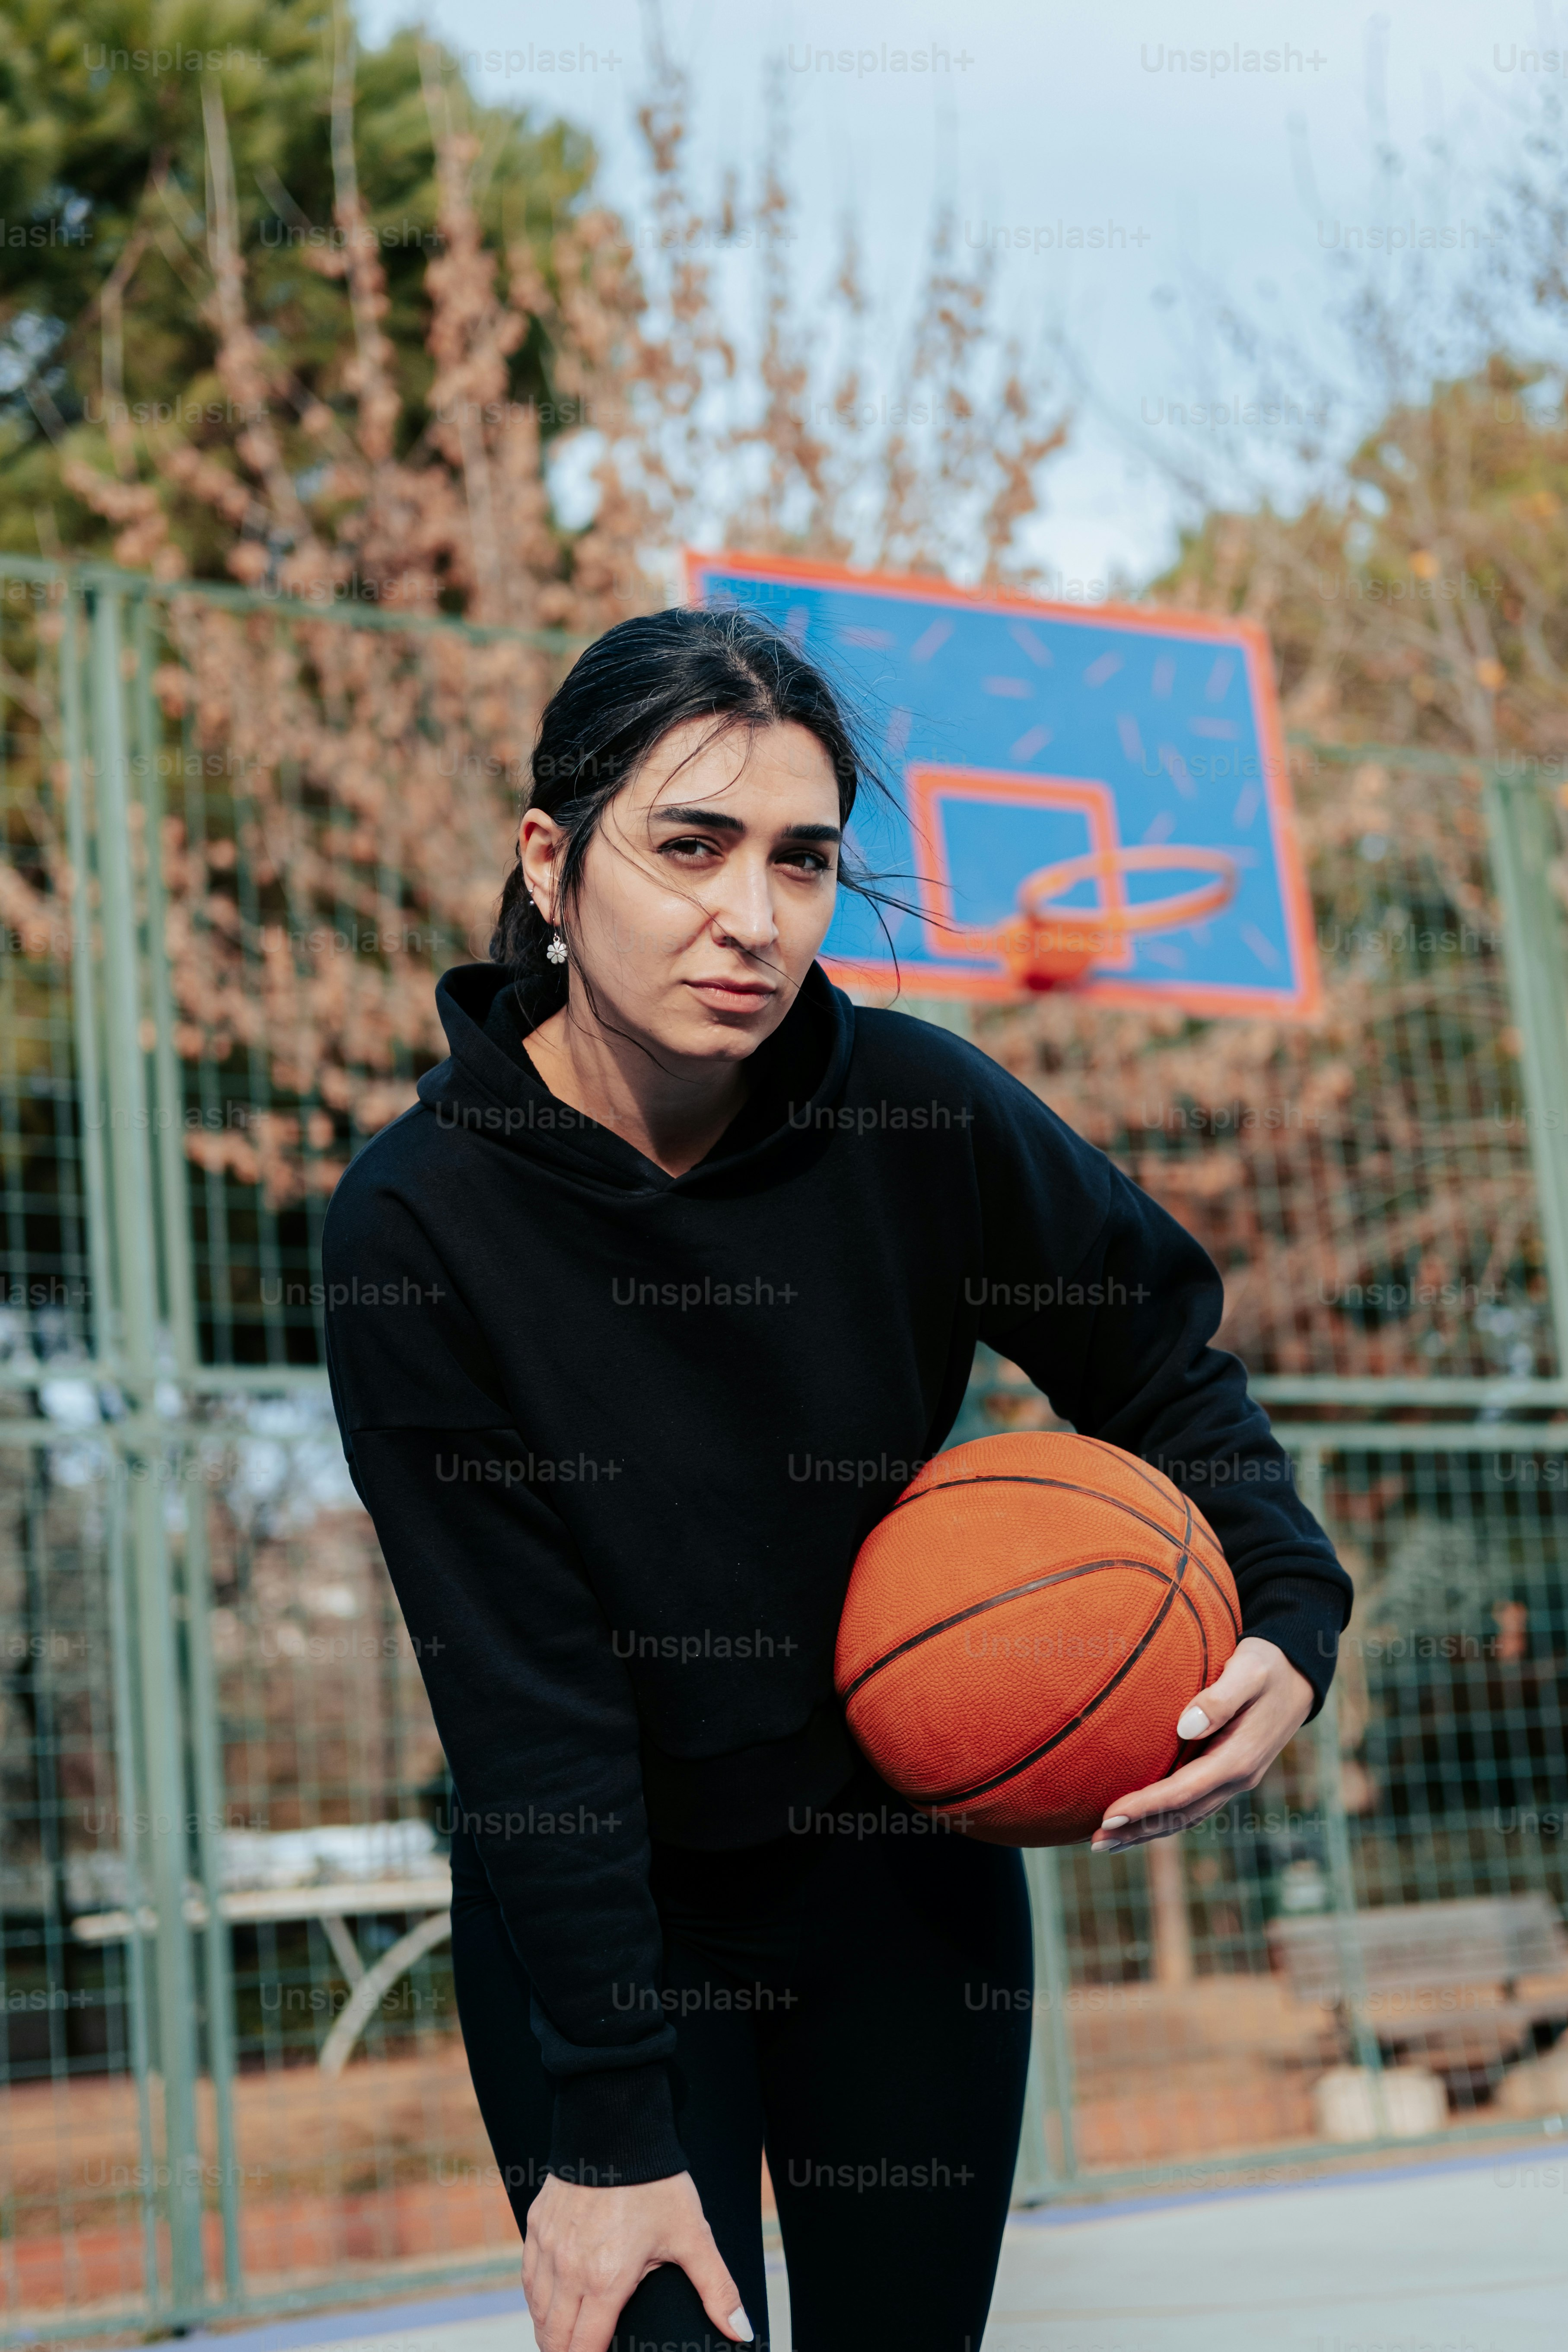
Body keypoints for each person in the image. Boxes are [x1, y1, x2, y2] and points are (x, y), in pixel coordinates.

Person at [322, 608, 1351, 2352]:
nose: (754, 913)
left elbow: (1156, 1354)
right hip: (607, 1908)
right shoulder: (417, 1223)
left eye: (801, 859)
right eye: (689, 845)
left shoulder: (916, 1113)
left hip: (898, 1884)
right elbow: (524, 1695)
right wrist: (608, 2122)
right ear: (551, 862)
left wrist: (1291, 1608)